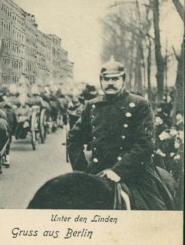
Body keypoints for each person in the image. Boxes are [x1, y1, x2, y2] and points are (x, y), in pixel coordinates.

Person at [67, 56, 174, 210]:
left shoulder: (140, 104)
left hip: (135, 171)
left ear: (123, 80)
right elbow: (74, 138)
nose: (110, 83)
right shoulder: (92, 106)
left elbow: (145, 143)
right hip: (98, 170)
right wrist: (81, 171)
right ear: (101, 81)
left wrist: (119, 171)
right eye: (106, 79)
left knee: (155, 210)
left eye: (115, 79)